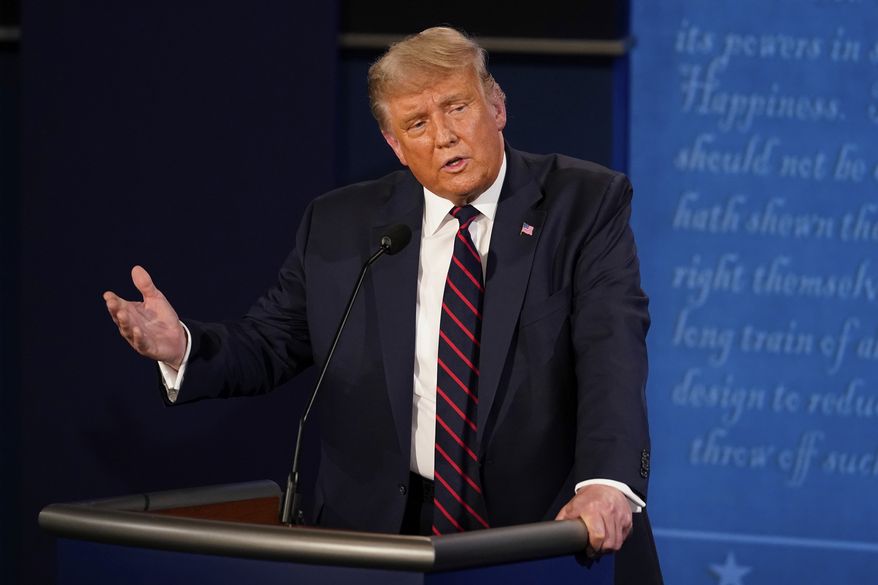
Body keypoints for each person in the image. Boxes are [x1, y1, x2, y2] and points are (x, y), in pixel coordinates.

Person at [103, 27, 661, 584]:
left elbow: (611, 353)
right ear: (394, 144)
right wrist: (184, 347)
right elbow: (271, 341)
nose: (443, 136)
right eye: (417, 124)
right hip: (378, 538)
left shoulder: (584, 204)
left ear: (497, 107)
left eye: (457, 107)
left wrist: (606, 485)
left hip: (544, 532)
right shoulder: (342, 225)